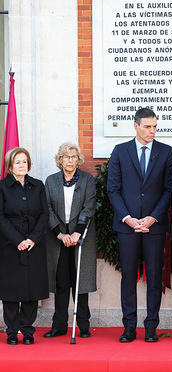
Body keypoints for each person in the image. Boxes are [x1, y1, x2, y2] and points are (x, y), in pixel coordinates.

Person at [107, 108, 172, 343]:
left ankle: (151, 328)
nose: (152, 131)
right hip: (127, 226)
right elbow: (113, 189)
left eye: (155, 126)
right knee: (128, 277)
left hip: (154, 226)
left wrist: (153, 217)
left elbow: (169, 190)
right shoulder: (120, 151)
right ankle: (128, 327)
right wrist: (127, 217)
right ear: (135, 126)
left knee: (154, 277)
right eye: (147, 126)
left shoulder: (166, 153)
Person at [43, 142, 97, 339]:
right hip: (58, 239)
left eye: (74, 157)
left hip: (80, 238)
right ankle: (59, 326)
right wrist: (60, 233)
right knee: (61, 282)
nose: (70, 160)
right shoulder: (51, 181)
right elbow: (47, 208)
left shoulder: (87, 179)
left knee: (80, 282)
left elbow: (89, 207)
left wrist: (76, 233)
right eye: (66, 157)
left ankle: (83, 325)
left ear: (78, 160)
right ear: (60, 160)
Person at [0, 147, 49, 345]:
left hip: (33, 244)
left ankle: (28, 331)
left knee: (31, 288)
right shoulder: (2, 187)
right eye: (18, 162)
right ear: (10, 165)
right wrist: (17, 240)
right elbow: (1, 217)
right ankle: (12, 331)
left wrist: (32, 239)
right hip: (9, 245)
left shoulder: (38, 186)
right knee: (11, 290)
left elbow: (45, 214)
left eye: (25, 161)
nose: (22, 165)